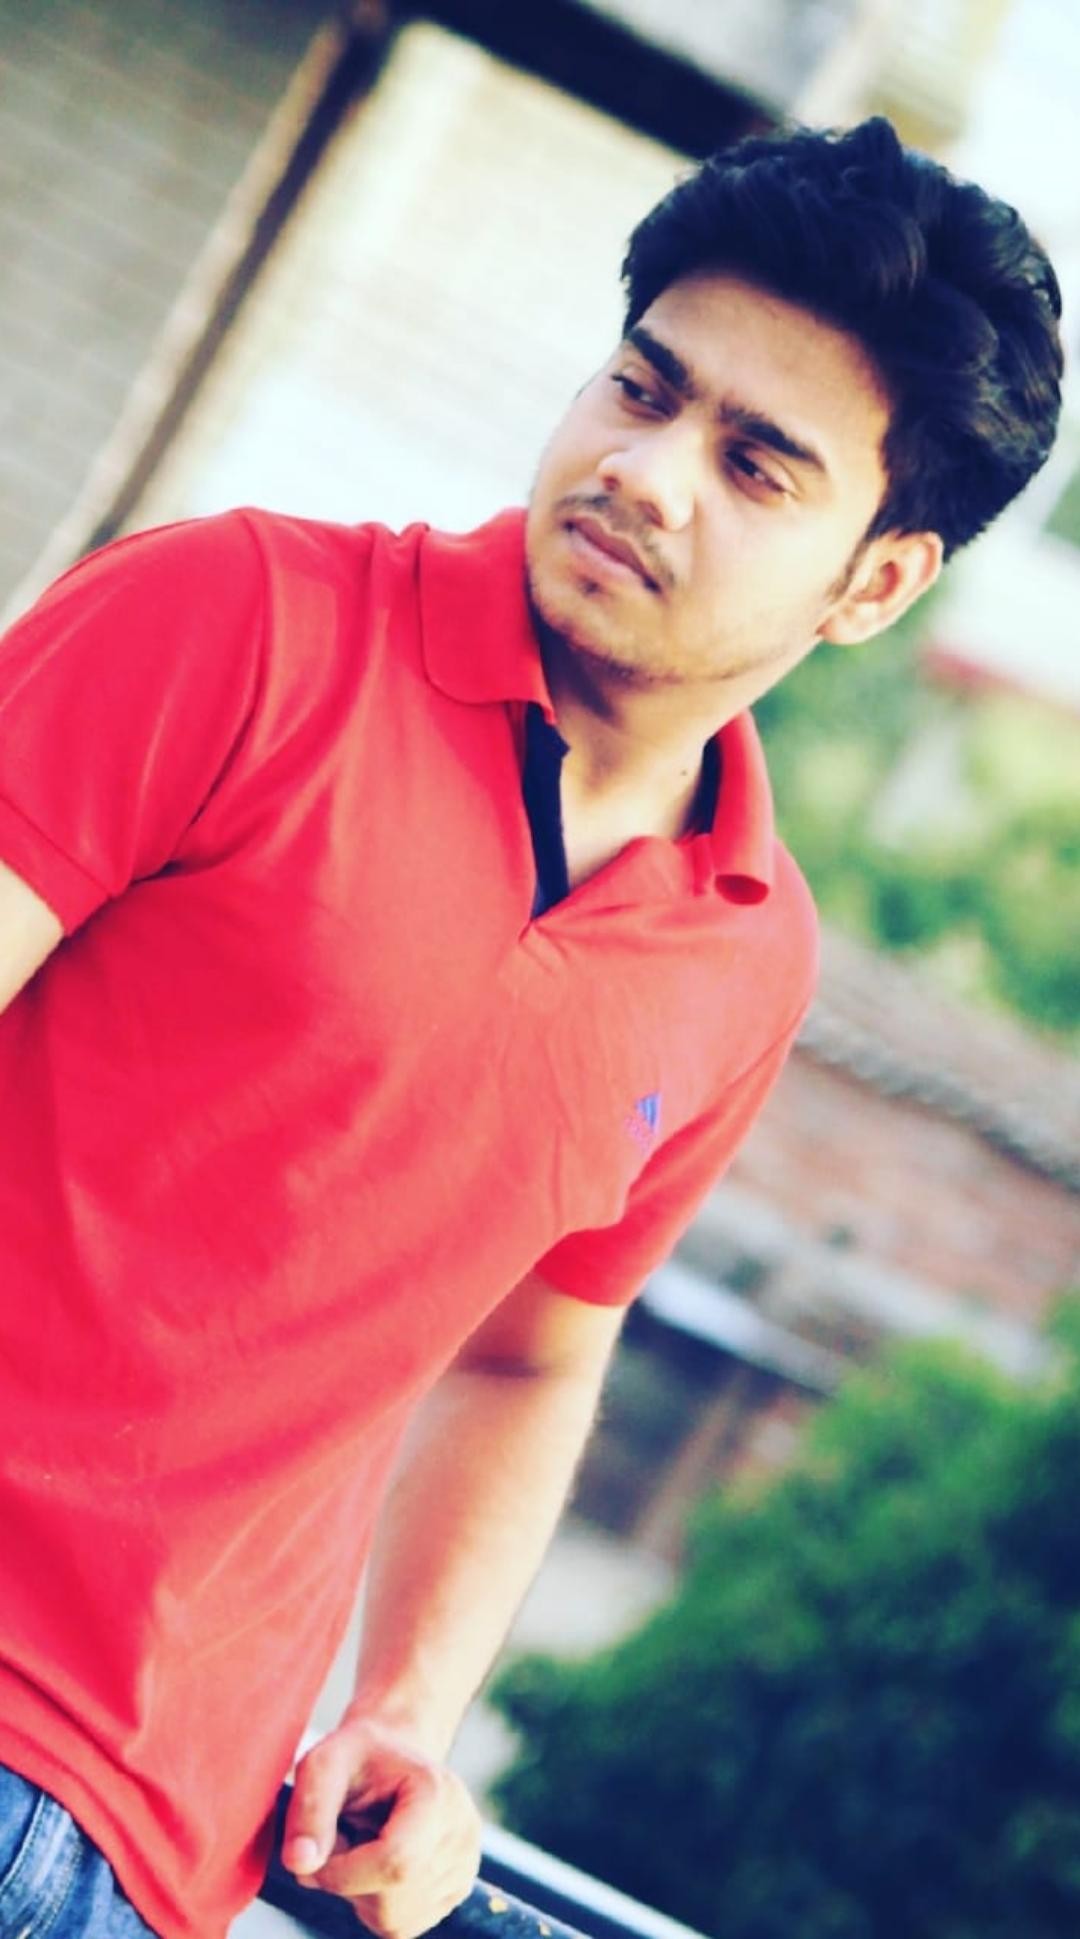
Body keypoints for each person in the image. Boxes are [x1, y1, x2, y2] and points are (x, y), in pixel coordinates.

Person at [0, 114, 1062, 1939]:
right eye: (642, 389)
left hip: (157, 1856)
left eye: (756, 464)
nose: (648, 473)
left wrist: (410, 1706)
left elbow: (530, 1358)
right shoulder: (239, 618)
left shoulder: (749, 955)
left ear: (878, 582)